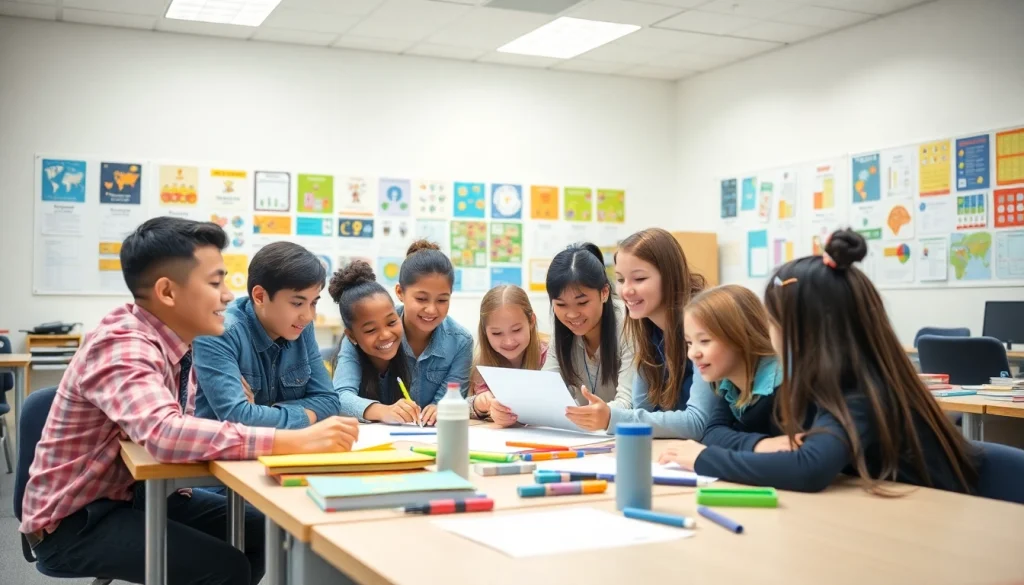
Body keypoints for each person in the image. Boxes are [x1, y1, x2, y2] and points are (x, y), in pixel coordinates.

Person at [19, 217, 358, 585]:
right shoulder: (124, 345)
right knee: (226, 568)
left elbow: (186, 425)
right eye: (215, 283)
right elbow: (166, 434)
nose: (227, 295)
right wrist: (293, 440)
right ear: (167, 292)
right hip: (77, 521)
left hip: (139, 496)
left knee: (269, 529)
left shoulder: (178, 345)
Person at [661, 229, 980, 495]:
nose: (767, 331)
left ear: (806, 329)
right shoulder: (824, 381)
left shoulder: (860, 388)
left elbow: (809, 467)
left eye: (773, 320)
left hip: (935, 516)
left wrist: (704, 459)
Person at [193, 241, 340, 429]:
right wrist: (305, 414)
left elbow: (329, 401)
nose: (309, 316)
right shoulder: (217, 332)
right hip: (223, 447)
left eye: (314, 303)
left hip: (288, 445)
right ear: (260, 296)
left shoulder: (301, 327)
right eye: (297, 303)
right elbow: (237, 417)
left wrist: (259, 411)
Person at [590, 227, 717, 437]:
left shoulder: (703, 325)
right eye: (620, 280)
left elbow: (698, 422)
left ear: (670, 277)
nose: (626, 290)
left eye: (639, 279)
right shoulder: (647, 328)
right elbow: (642, 409)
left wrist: (612, 418)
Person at [492, 243, 635, 428]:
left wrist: (603, 415)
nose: (572, 315)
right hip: (583, 435)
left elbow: (628, 402)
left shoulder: (629, 327)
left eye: (582, 303)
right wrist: (509, 411)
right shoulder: (562, 333)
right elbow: (545, 391)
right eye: (561, 305)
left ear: (605, 292)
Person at [335, 241, 472, 425]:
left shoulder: (461, 342)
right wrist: (383, 411)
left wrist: (440, 408)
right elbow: (340, 397)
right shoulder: (367, 332)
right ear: (400, 292)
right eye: (421, 298)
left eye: (442, 300)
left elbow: (451, 400)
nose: (431, 309)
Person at [683, 284, 788, 451]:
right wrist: (759, 444)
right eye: (689, 343)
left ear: (741, 336)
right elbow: (712, 433)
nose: (692, 354)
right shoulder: (729, 384)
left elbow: (795, 452)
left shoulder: (784, 385)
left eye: (704, 341)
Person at [331, 260, 420, 424]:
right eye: (371, 330)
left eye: (391, 322)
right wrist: (383, 411)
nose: (385, 335)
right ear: (352, 336)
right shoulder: (350, 347)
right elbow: (340, 398)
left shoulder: (413, 336)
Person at [467, 285, 548, 421]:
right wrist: (479, 405)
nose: (509, 342)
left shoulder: (549, 357)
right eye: (497, 333)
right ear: (485, 332)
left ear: (531, 321)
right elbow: (463, 406)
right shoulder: (481, 365)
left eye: (516, 330)